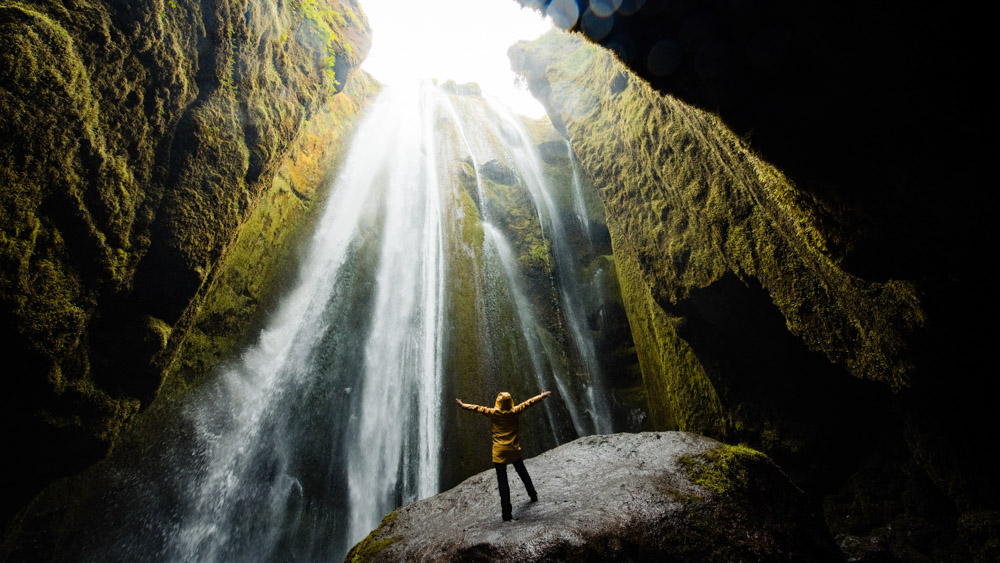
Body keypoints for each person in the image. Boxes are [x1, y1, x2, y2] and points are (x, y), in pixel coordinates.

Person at [456, 390, 552, 521]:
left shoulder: (493, 413)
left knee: (503, 482)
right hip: (513, 449)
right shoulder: (515, 411)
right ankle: (533, 494)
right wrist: (541, 396)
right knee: (522, 472)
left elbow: (478, 408)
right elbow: (528, 403)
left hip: (499, 452)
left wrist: (463, 405)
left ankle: (506, 513)